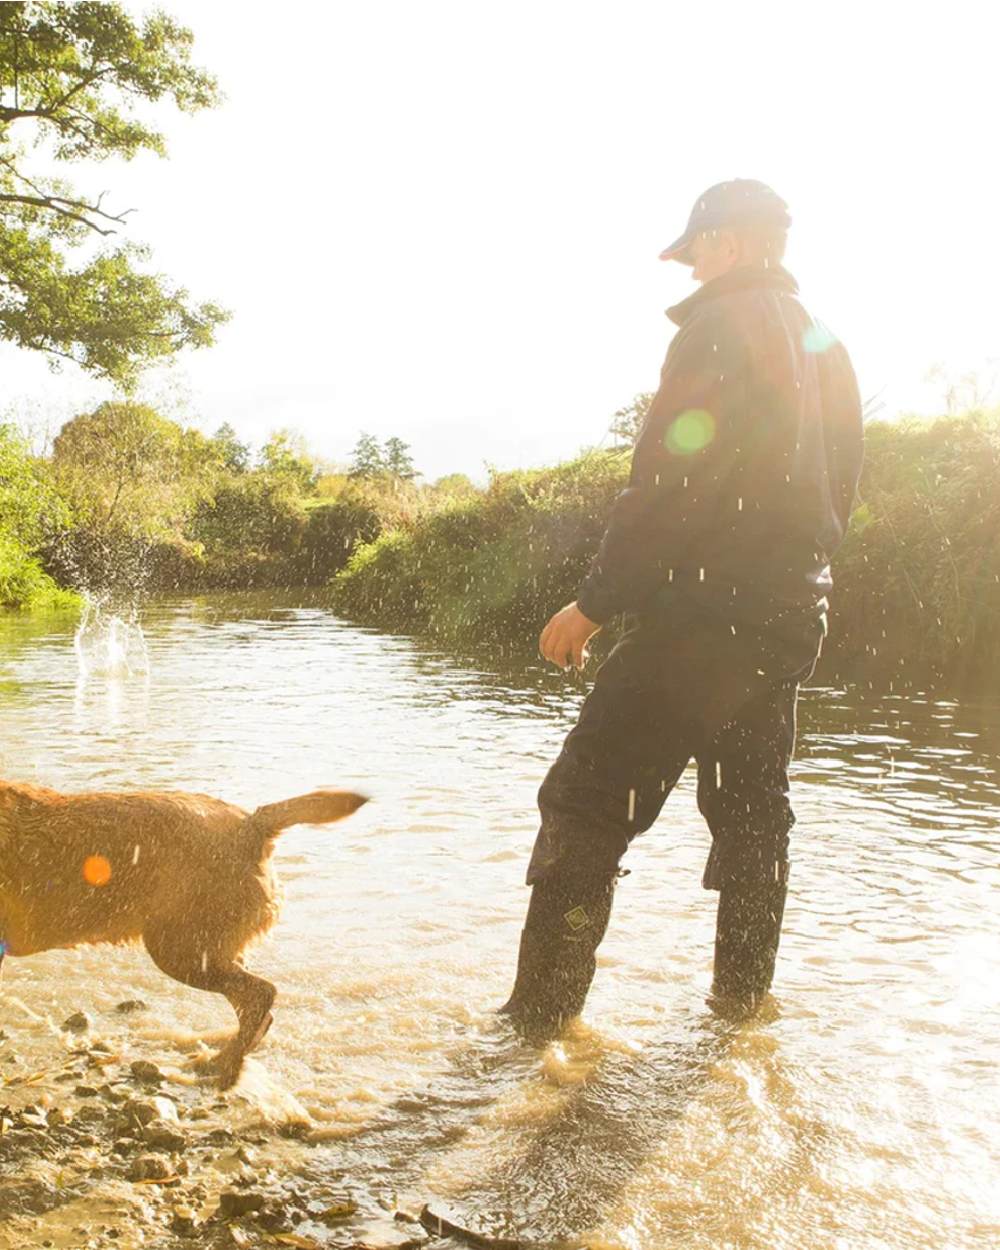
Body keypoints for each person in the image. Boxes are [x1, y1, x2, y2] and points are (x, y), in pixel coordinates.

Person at [500, 179, 864, 1041]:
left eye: (696, 250)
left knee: (585, 804)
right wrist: (791, 585)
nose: (692, 267)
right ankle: (740, 1015)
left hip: (701, 622)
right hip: (786, 622)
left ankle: (535, 1033)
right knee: (753, 822)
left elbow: (667, 484)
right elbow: (842, 490)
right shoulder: (827, 343)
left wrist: (595, 603)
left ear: (728, 243)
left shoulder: (716, 327)